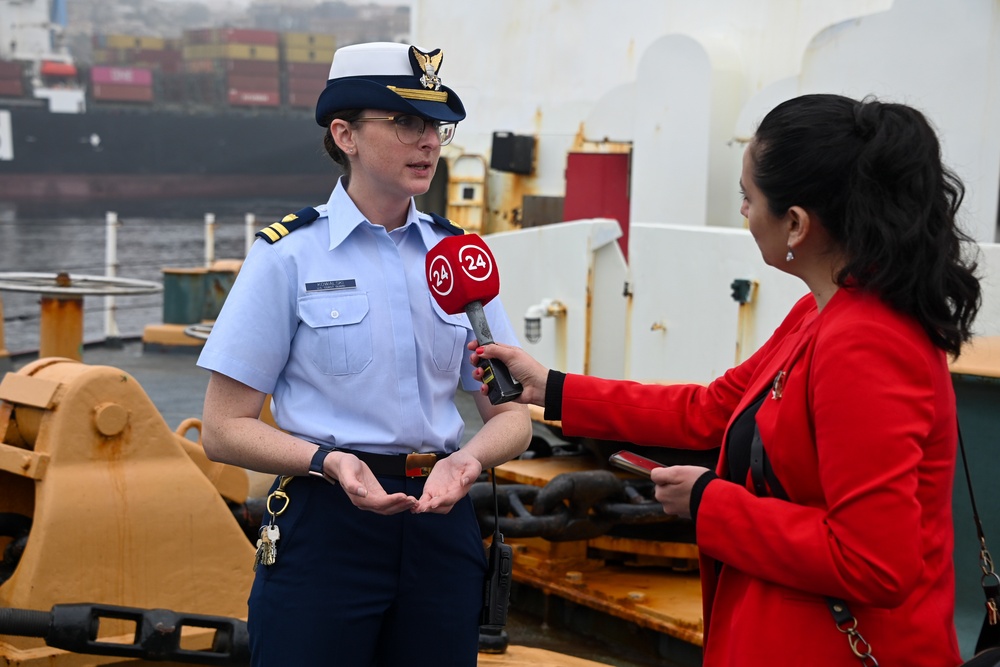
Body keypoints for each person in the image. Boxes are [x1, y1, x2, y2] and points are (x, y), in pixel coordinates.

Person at [473, 93, 981, 666]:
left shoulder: (864, 342)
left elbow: (872, 561)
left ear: (796, 223)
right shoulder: (821, 315)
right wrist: (554, 388)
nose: (743, 212)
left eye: (748, 197)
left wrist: (709, 502)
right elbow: (712, 410)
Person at [197, 41, 531, 666]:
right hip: (327, 525)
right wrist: (330, 463)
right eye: (406, 122)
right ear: (345, 134)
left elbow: (510, 415)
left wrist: (466, 464)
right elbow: (222, 428)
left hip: (442, 518)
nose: (429, 141)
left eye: (435, 124)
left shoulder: (458, 256)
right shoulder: (288, 257)